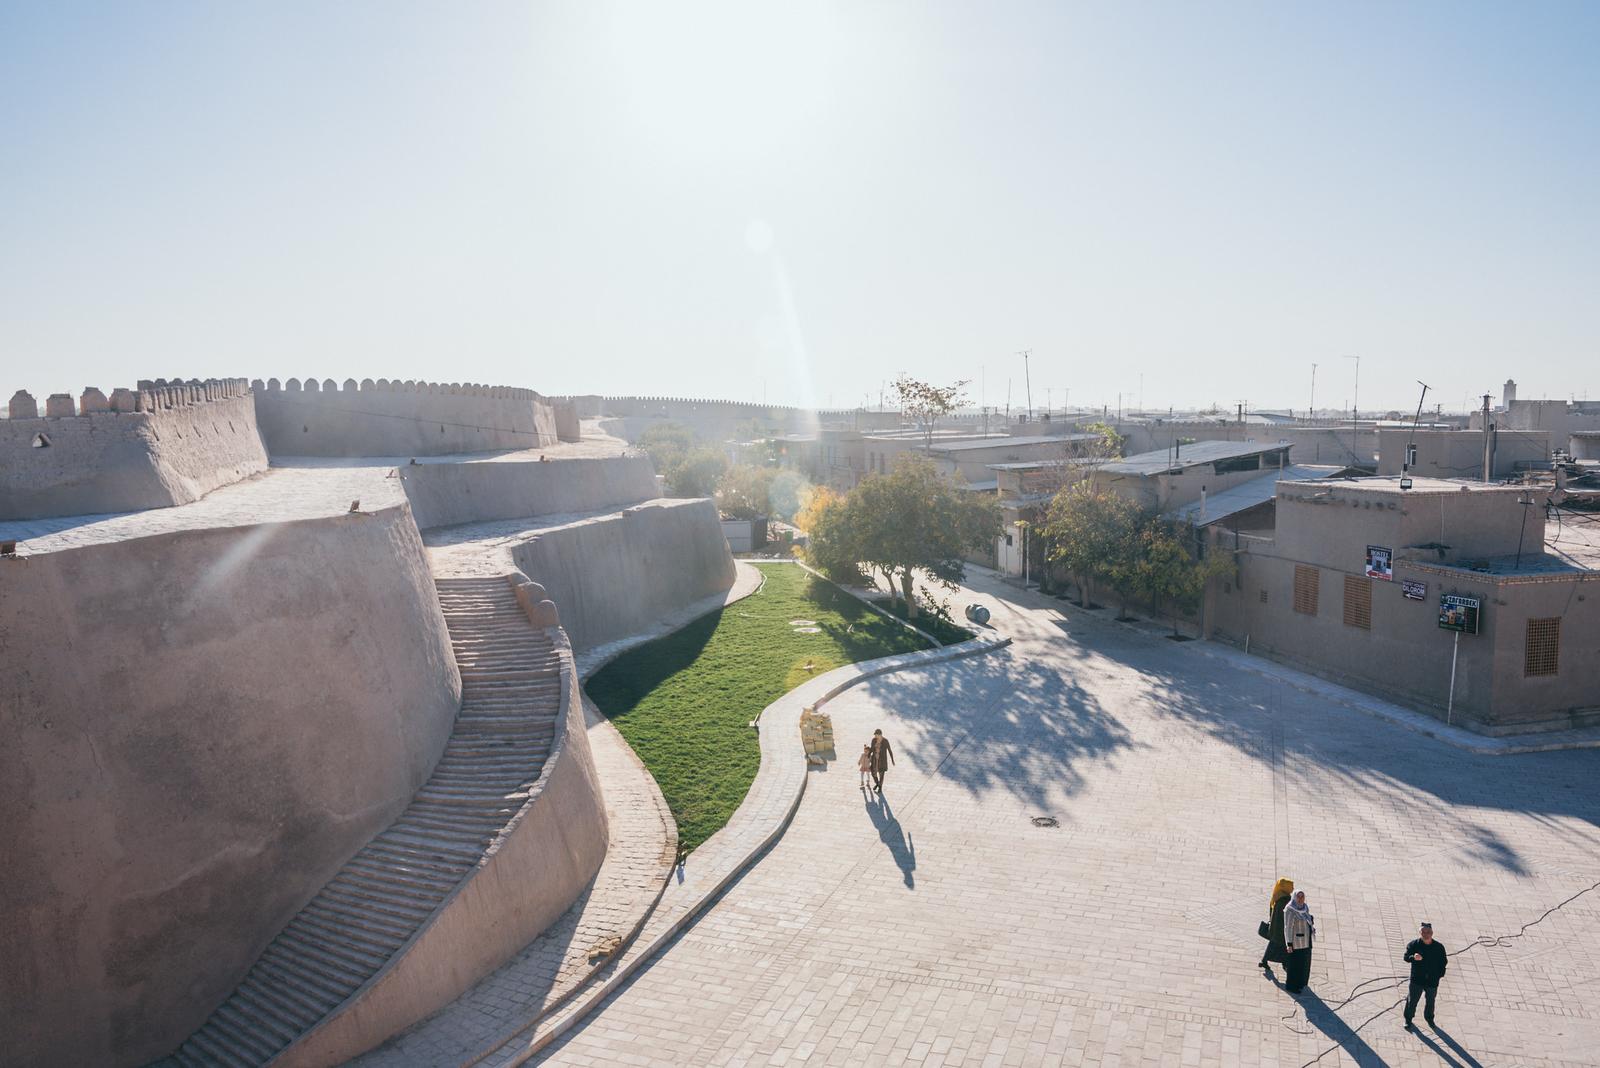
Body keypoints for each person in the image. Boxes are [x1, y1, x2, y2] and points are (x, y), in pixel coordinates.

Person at [1402, 922, 1448, 1030]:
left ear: (1432, 933)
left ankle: (1429, 1019)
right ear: (1420, 933)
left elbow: (1443, 962)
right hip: (1417, 980)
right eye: (1423, 932)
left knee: (1431, 1001)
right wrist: (1413, 957)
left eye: (1428, 932)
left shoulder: (1439, 947)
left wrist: (1439, 975)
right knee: (1412, 1000)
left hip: (1432, 981)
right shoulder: (1414, 945)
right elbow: (1406, 957)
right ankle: (1408, 1019)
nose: (1426, 934)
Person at [1283, 889, 1315, 994]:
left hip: (1306, 942)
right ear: (1295, 897)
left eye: (1302, 897)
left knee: (1303, 964)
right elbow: (1287, 927)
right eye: (1299, 897)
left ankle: (1301, 983)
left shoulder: (1304, 907)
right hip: (1296, 943)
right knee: (1294, 966)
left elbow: (1307, 919)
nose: (1301, 899)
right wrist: (1289, 944)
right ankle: (1292, 986)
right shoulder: (1290, 910)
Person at [1259, 878, 1293, 974]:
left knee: (1274, 945)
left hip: (1276, 927)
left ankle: (1266, 961)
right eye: (1291, 886)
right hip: (1280, 928)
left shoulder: (1279, 895)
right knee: (1281, 946)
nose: (1293, 888)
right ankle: (1284, 963)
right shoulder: (1284, 900)